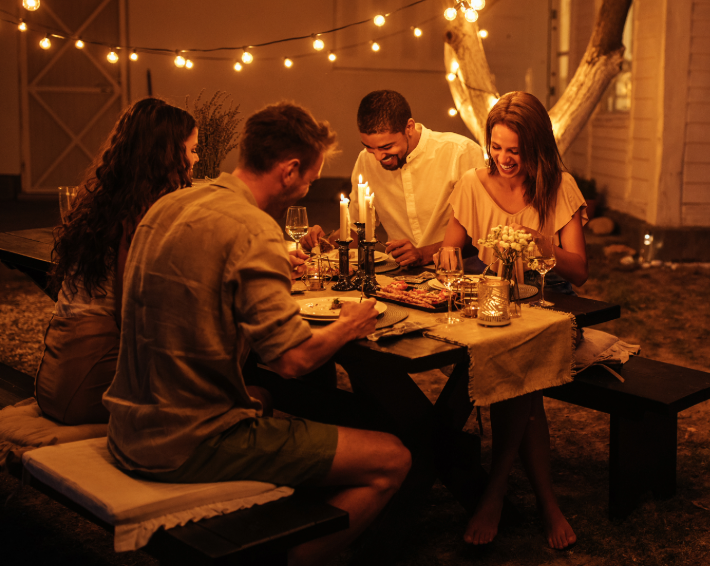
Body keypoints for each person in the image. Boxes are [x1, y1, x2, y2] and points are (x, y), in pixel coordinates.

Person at [102, 102, 411, 566]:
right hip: (186, 443)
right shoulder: (253, 228)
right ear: (289, 171)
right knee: (393, 456)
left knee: (268, 398)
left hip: (128, 425)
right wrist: (350, 325)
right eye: (310, 178)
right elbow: (294, 361)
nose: (310, 187)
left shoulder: (171, 204)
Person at [442, 91, 588, 549]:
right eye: (497, 147)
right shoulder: (472, 182)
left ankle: (496, 490)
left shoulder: (559, 186)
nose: (504, 159)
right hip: (494, 299)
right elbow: (452, 246)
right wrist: (448, 253)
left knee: (519, 371)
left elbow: (580, 271)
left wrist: (541, 243)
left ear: (536, 147)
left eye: (515, 150)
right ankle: (545, 502)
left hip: (552, 301)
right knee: (518, 373)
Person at [36, 97, 198, 426]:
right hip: (86, 383)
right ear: (168, 154)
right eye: (193, 149)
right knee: (233, 395)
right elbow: (133, 312)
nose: (197, 158)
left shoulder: (104, 199)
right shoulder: (140, 214)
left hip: (56, 374)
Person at [301, 90, 485, 267]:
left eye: (387, 147)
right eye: (370, 147)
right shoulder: (366, 160)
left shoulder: (460, 152)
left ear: (409, 128)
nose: (378, 157)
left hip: (463, 273)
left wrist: (423, 254)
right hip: (398, 276)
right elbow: (358, 230)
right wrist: (324, 243)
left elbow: (482, 231)